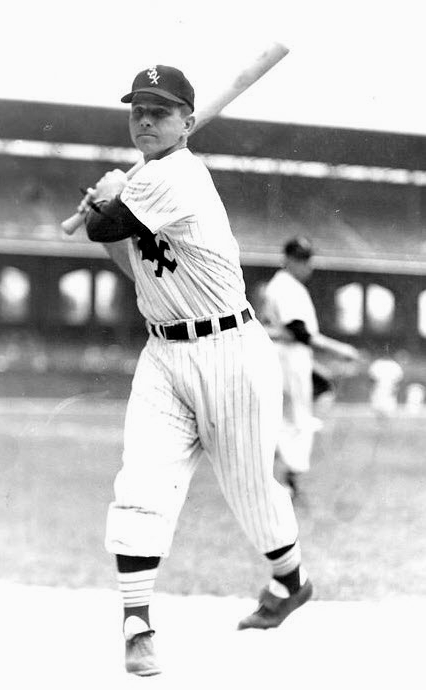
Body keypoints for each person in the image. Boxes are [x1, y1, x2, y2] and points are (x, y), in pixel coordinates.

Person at [81, 65, 312, 677]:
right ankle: (137, 626)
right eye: (138, 111)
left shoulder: (178, 175)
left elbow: (107, 223)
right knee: (141, 485)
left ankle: (291, 582)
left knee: (251, 492)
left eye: (160, 112)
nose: (146, 120)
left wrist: (105, 200)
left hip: (230, 351)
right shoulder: (146, 184)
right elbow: (133, 264)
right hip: (164, 354)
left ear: (187, 123)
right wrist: (108, 207)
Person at [259, 237, 360, 498]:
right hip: (287, 357)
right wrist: (339, 348)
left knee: (294, 418)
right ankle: (283, 483)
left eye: (307, 259)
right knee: (293, 419)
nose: (307, 265)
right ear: (287, 260)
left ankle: (285, 481)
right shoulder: (285, 286)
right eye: (300, 259)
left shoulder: (288, 286)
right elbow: (299, 332)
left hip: (291, 356)